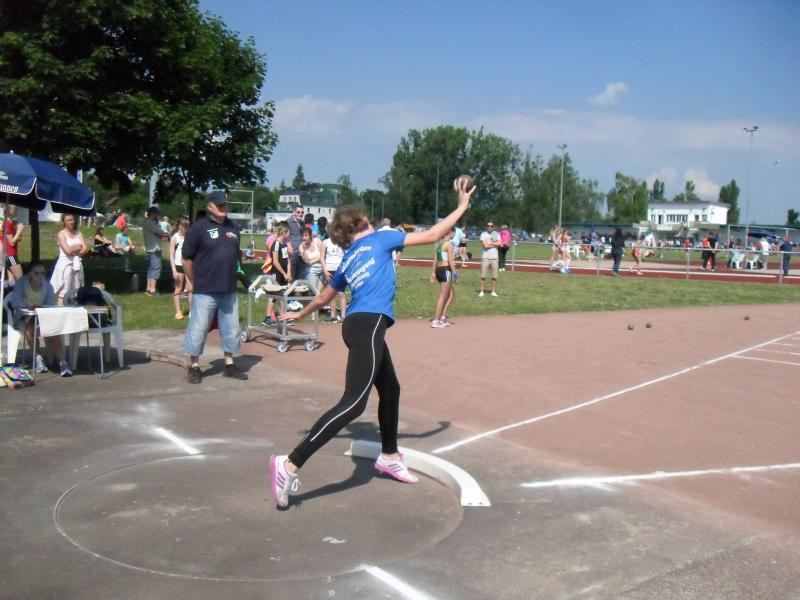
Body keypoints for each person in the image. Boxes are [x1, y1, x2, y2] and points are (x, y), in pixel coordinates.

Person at [268, 177, 476, 509]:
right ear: (361, 224)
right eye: (366, 218)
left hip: (358, 325)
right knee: (354, 403)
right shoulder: (381, 238)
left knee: (390, 390)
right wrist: (462, 206)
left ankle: (390, 456)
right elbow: (434, 234)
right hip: (368, 325)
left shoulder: (349, 257)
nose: (371, 221)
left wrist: (300, 313)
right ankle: (290, 463)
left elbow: (323, 297)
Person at [180, 191, 248, 384]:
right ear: (210, 206)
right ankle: (194, 366)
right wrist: (194, 281)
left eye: (225, 205)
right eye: (219, 205)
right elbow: (186, 258)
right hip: (205, 289)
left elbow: (236, 256)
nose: (223, 208)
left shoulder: (233, 227)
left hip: (228, 288)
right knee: (199, 328)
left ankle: (229, 365)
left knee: (231, 329)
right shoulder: (198, 228)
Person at [10, 261, 72, 376]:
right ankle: (38, 357)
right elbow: (15, 301)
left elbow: (49, 305)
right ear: (30, 274)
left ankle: (63, 363)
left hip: (42, 316)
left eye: (42, 273)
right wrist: (26, 304)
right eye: (36, 273)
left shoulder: (48, 286)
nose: (40, 276)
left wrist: (40, 308)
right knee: (30, 329)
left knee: (53, 331)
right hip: (24, 316)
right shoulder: (21, 284)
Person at [50, 213, 88, 305]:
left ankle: (73, 310)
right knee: (64, 291)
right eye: (68, 220)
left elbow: (86, 249)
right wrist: (78, 247)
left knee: (75, 290)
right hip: (65, 265)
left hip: (76, 264)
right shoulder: (61, 234)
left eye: (72, 220)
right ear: (64, 222)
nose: (71, 222)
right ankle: (61, 310)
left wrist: (75, 251)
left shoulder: (78, 233)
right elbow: (67, 251)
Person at [263, 222, 291, 327]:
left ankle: (283, 317)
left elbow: (287, 260)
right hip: (277, 273)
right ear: (284, 232)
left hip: (284, 274)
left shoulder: (285, 244)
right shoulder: (276, 244)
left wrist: (288, 272)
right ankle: (267, 317)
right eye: (288, 232)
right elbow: (275, 262)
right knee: (274, 295)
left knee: (284, 294)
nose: (289, 234)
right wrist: (283, 273)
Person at [430, 227, 456, 328]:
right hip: (445, 270)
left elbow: (435, 260)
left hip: (439, 270)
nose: (454, 234)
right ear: (451, 232)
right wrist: (455, 273)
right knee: (443, 296)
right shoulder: (449, 245)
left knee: (451, 294)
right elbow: (450, 261)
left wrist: (433, 272)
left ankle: (442, 317)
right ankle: (436, 320)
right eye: (454, 232)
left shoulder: (438, 243)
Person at [320, 232, 346, 323]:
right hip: (329, 270)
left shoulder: (342, 241)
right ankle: (333, 316)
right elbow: (322, 257)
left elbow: (346, 255)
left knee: (341, 293)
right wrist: (325, 271)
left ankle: (343, 317)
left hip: (340, 270)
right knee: (331, 294)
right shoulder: (325, 242)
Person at [142, 206, 168, 296]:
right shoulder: (150, 222)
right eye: (157, 213)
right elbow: (160, 233)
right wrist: (163, 233)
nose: (158, 215)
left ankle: (148, 289)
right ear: (152, 213)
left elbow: (160, 234)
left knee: (151, 268)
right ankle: (153, 289)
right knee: (156, 268)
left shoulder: (148, 222)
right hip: (154, 249)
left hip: (151, 249)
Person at [169, 217, 192, 320]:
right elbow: (171, 255)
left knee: (190, 288)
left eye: (188, 227)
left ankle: (192, 311)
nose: (186, 229)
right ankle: (178, 312)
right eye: (185, 226)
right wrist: (174, 270)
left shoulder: (189, 236)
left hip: (188, 264)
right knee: (178, 288)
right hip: (178, 265)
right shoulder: (175, 238)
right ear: (179, 226)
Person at [2, 204, 25, 281]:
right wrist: (19, 231)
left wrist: (18, 234)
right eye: (15, 209)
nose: (17, 211)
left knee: (11, 282)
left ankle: (11, 289)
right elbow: (11, 242)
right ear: (10, 211)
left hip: (11, 255)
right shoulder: (7, 224)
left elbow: (16, 239)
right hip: (10, 255)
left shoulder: (11, 223)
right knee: (21, 280)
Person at [479, 221, 501, 297]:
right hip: (485, 257)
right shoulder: (483, 234)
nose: (489, 227)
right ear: (486, 226)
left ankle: (493, 292)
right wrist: (495, 245)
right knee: (483, 276)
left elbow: (500, 243)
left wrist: (491, 243)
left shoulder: (497, 234)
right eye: (488, 225)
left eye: (491, 226)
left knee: (494, 276)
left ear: (493, 227)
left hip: (494, 258)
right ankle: (481, 291)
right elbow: (485, 246)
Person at [287, 205, 305, 279]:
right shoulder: (288, 222)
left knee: (299, 278)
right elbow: (284, 237)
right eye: (298, 212)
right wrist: (289, 247)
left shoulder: (302, 223)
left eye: (302, 212)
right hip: (292, 254)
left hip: (301, 254)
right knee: (291, 277)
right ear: (294, 212)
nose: (300, 214)